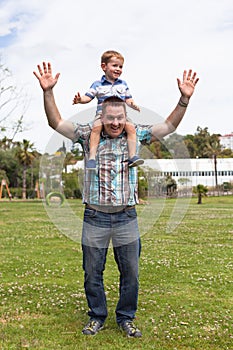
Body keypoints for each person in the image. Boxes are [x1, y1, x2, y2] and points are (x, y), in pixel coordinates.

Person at [33, 62, 199, 337]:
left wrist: (184, 99)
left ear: (126, 117)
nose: (114, 123)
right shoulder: (88, 136)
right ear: (101, 117)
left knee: (130, 274)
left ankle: (126, 318)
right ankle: (97, 315)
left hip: (126, 216)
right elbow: (56, 123)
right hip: (95, 216)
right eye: (109, 118)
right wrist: (48, 93)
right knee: (92, 273)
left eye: (119, 118)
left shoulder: (136, 135)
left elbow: (168, 126)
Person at [72, 50, 144, 169]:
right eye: (115, 65)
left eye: (120, 66)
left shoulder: (123, 84)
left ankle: (132, 156)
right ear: (104, 66)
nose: (118, 69)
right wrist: (80, 100)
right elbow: (88, 97)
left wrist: (133, 105)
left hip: (120, 116)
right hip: (102, 115)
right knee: (96, 129)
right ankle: (92, 158)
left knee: (131, 128)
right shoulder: (97, 84)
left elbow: (128, 99)